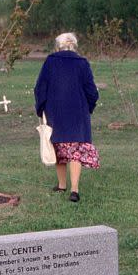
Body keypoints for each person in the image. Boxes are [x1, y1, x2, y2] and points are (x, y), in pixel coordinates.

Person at [34, 32, 100, 203]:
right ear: (74, 45)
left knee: (59, 148)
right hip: (78, 113)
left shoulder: (50, 61)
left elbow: (40, 87)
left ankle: (62, 185)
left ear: (58, 46)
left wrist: (41, 109)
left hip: (55, 112)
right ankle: (74, 190)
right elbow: (92, 91)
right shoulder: (82, 63)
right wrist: (89, 108)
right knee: (75, 152)